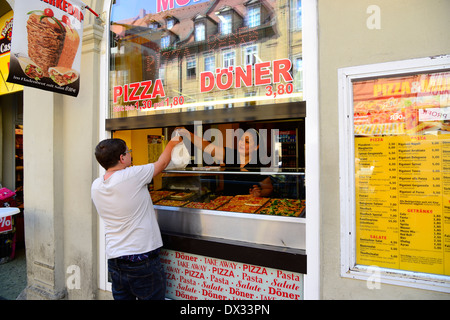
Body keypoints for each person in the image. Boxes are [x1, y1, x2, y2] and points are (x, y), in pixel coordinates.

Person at [91, 135, 181, 300]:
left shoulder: (96, 185)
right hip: (142, 260)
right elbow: (162, 163)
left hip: (115, 260)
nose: (130, 154)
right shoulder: (131, 176)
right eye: (128, 152)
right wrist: (174, 141)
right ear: (122, 157)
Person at [177, 127, 273, 197]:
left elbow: (268, 188)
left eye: (247, 141)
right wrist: (187, 134)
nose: (242, 143)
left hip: (246, 207)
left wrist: (259, 194)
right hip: (227, 205)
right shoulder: (230, 155)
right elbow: (208, 147)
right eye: (241, 139)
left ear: (256, 147)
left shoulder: (258, 165)